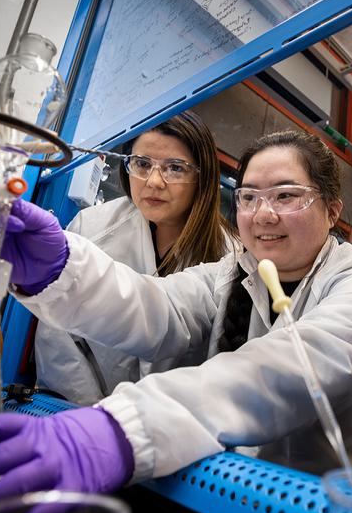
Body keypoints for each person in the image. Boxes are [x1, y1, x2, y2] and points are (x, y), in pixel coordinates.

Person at [0, 130, 352, 513]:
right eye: (250, 197)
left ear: (331, 210)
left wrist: (126, 428)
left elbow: (291, 367)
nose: (262, 214)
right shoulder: (229, 275)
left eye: (286, 196)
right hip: (241, 510)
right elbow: (156, 307)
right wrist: (59, 269)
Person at [34, 110, 232, 404]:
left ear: (201, 178)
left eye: (175, 168)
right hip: (80, 411)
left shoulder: (228, 255)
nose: (154, 181)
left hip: (172, 428)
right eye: (142, 164)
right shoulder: (92, 227)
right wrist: (91, 417)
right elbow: (58, 336)